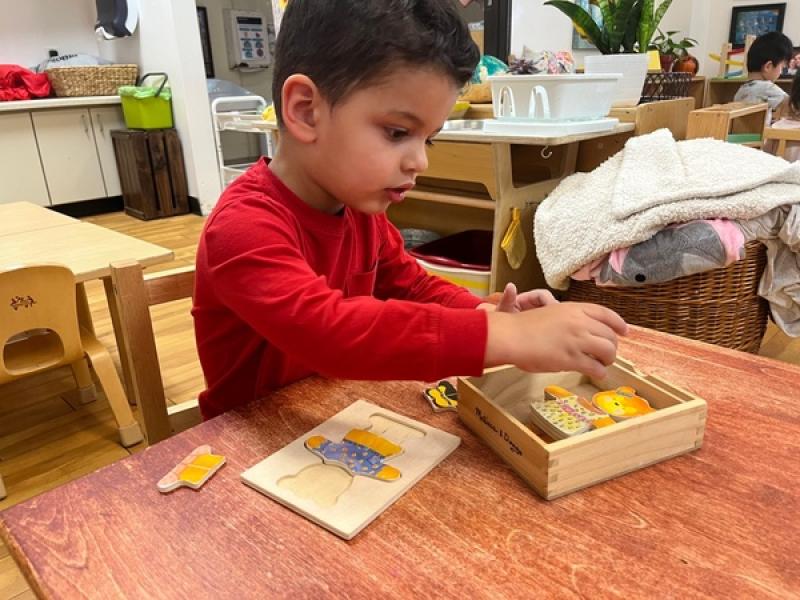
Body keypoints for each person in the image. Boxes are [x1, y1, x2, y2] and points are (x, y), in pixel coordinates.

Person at [192, 0, 627, 419]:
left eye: (428, 138)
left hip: (328, 410)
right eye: (398, 132)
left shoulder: (361, 212)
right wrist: (506, 336)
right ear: (306, 111)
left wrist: (483, 313)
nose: (420, 161)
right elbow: (329, 332)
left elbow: (411, 286)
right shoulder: (242, 226)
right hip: (245, 441)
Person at [734, 31, 794, 123]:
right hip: (759, 136)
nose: (781, 72)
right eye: (782, 67)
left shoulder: (742, 89)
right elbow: (792, 106)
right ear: (768, 66)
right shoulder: (767, 87)